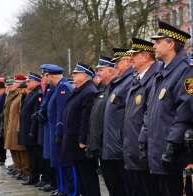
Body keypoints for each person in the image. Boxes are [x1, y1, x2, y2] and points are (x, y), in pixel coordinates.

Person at [138, 20, 193, 196]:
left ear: (171, 44)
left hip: (173, 155)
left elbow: (184, 114)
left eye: (158, 41)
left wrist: (171, 146)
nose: (154, 45)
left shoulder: (187, 72)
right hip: (156, 152)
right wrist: (143, 137)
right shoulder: (161, 73)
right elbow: (150, 110)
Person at [123, 38, 162, 196]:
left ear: (146, 56)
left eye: (134, 54)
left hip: (144, 153)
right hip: (133, 151)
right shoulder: (137, 79)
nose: (130, 58)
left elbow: (149, 116)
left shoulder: (154, 78)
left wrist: (141, 146)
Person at [61, 63, 100, 196]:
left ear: (84, 75)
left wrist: (83, 140)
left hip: (81, 144)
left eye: (76, 73)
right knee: (81, 177)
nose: (73, 75)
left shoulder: (89, 91)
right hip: (74, 141)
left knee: (88, 177)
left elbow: (86, 119)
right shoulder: (80, 90)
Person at [101, 48, 134, 196]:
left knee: (123, 187)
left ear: (127, 61)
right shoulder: (119, 82)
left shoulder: (129, 82)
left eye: (118, 63)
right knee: (114, 185)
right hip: (112, 145)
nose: (115, 67)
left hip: (120, 147)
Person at [41, 64, 73, 196]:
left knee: (65, 165)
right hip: (54, 132)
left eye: (45, 75)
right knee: (59, 163)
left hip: (60, 133)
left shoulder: (63, 88)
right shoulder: (57, 87)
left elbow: (62, 114)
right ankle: (62, 189)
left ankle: (70, 191)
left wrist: (59, 132)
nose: (44, 78)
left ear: (51, 75)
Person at [19, 72, 43, 185]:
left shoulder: (38, 94)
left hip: (32, 131)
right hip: (27, 129)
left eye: (29, 81)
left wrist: (32, 131)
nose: (27, 83)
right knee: (31, 155)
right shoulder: (31, 93)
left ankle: (35, 177)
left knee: (35, 156)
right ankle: (33, 177)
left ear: (36, 82)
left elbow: (35, 114)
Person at [5, 76, 31, 179]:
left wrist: (18, 127)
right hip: (12, 127)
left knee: (21, 151)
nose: (13, 84)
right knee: (15, 150)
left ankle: (25, 171)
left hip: (17, 127)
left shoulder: (21, 96)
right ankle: (19, 169)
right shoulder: (16, 95)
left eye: (16, 82)